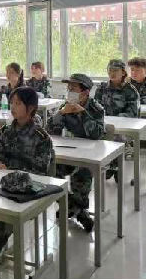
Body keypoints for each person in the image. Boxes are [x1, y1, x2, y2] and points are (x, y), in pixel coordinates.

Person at [0, 86, 54, 279]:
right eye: (12, 103)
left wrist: (9, 167)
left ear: (31, 108)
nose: (13, 107)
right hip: (3, 186)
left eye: (18, 103)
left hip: (26, 191)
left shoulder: (41, 137)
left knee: (0, 223)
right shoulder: (5, 131)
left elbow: (39, 172)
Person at [48, 74, 105, 232]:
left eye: (73, 88)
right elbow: (49, 130)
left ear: (85, 92)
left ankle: (73, 207)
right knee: (51, 171)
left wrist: (82, 113)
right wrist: (61, 113)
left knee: (83, 174)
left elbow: (97, 134)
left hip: (89, 156)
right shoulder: (65, 106)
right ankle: (77, 209)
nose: (69, 91)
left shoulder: (96, 108)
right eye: (69, 88)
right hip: (68, 152)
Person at [95, 59, 140, 178]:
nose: (112, 73)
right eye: (110, 70)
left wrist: (114, 120)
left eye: (115, 70)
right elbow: (95, 108)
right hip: (104, 125)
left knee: (115, 138)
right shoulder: (102, 88)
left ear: (123, 72)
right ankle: (106, 165)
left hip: (123, 128)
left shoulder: (130, 90)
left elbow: (132, 114)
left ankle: (114, 165)